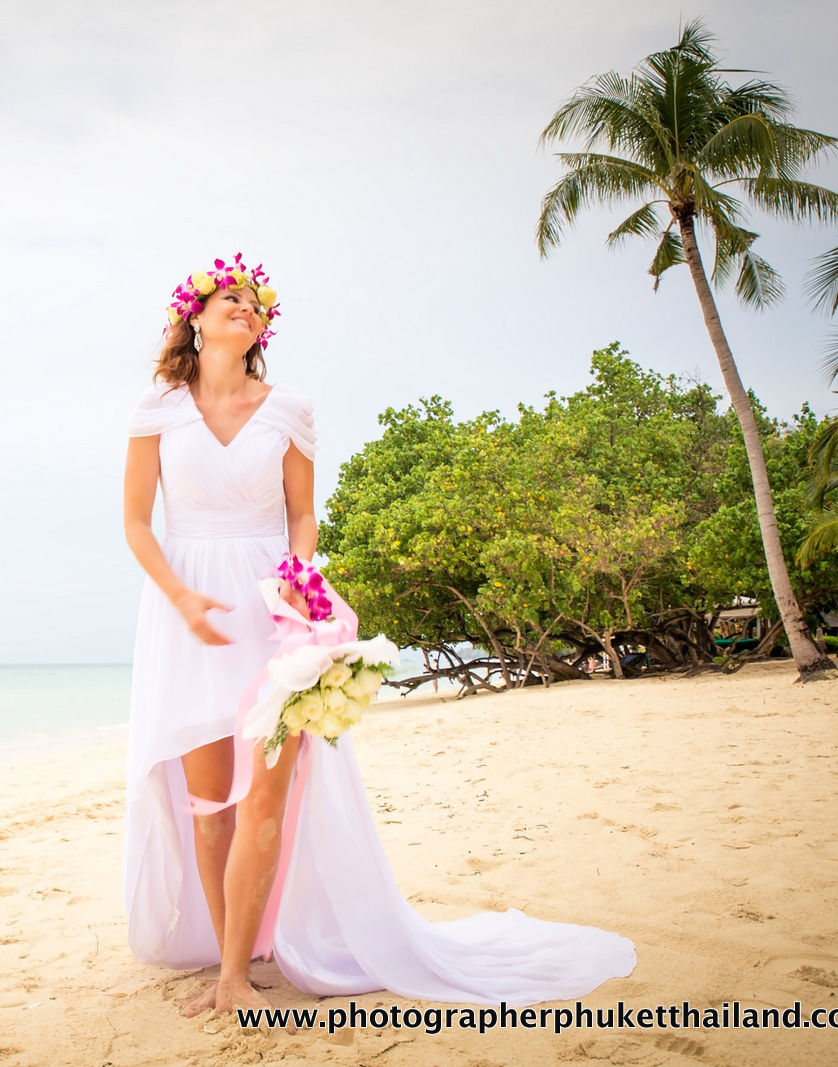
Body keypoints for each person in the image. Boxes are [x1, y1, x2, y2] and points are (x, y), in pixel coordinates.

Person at [122, 255, 635, 1018]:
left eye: (254, 303)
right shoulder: (158, 408)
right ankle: (235, 948)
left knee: (265, 794)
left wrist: (301, 581)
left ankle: (234, 974)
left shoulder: (289, 407)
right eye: (229, 298)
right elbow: (136, 521)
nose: (245, 308)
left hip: (274, 611)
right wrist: (181, 597)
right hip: (187, 615)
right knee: (209, 806)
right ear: (193, 319)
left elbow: (301, 513)